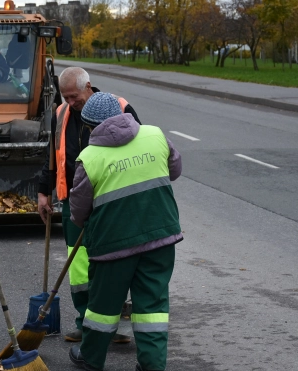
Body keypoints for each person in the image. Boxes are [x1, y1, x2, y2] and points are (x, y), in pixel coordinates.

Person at [67, 92, 183, 371]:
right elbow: (175, 169)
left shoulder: (90, 157)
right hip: (160, 236)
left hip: (112, 245)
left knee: (102, 307)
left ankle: (91, 358)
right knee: (152, 308)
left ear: (91, 126)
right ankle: (152, 365)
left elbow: (78, 212)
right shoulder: (154, 135)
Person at [37, 67, 141, 344]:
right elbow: (52, 154)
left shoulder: (120, 107)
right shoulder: (60, 114)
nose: (71, 103)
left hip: (111, 199)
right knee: (80, 266)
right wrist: (43, 192)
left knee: (114, 262)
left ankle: (116, 324)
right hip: (74, 199)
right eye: (65, 97)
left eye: (74, 97)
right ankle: (86, 323)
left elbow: (137, 146)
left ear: (88, 87)